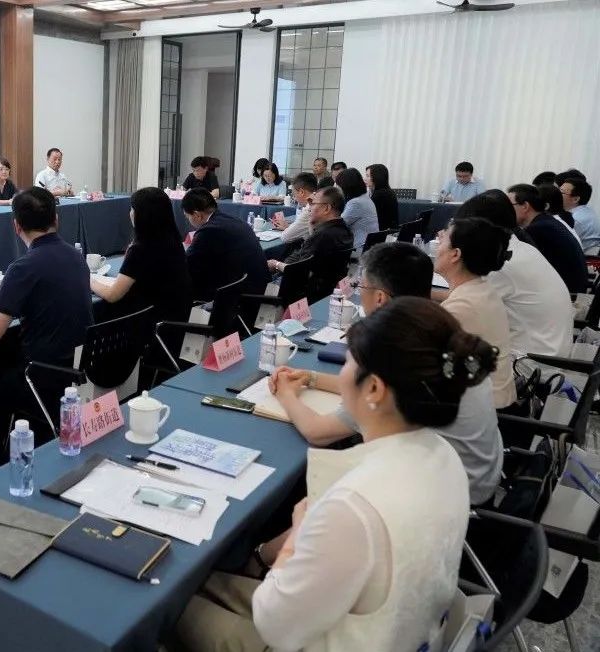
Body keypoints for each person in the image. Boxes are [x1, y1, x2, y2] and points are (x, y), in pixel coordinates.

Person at [174, 296, 488, 652]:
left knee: (173, 607)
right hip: (400, 628)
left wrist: (297, 536)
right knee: (201, 581)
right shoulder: (443, 456)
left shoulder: (353, 508)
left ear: (374, 389)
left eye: (349, 362)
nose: (342, 374)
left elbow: (275, 626)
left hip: (316, 636)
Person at [269, 242, 503, 505]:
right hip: (476, 476)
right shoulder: (438, 328)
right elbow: (365, 384)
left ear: (380, 297)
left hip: (447, 497)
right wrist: (312, 378)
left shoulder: (395, 350)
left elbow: (317, 431)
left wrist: (286, 393)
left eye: (361, 287)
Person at [0, 187, 91, 366]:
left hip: (44, 371)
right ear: (56, 220)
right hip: (82, 364)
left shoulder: (22, 268)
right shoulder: (76, 255)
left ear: (16, 226)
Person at [452, 190, 572, 356]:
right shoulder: (522, 248)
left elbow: (464, 304)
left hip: (531, 363)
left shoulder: (499, 263)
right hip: (551, 351)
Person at [432, 218, 517, 409]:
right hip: (496, 399)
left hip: (487, 411)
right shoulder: (481, 288)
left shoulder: (461, 307)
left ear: (455, 254)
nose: (437, 244)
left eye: (443, 239)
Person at [90, 187, 192, 325]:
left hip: (148, 325)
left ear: (142, 215)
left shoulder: (141, 249)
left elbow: (113, 295)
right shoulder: (174, 241)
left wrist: (90, 281)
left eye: (132, 209)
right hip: (174, 320)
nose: (130, 213)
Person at [182, 188, 269, 301]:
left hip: (243, 297)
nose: (188, 220)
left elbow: (186, 264)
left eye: (187, 216)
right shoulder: (234, 220)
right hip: (257, 287)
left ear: (197, 215)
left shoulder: (208, 231)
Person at [267, 186, 353, 298]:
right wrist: (311, 224)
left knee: (260, 284)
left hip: (304, 293)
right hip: (328, 290)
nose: (309, 208)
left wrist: (276, 264)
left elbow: (297, 272)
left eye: (313, 203)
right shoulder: (345, 230)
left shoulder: (322, 236)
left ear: (326, 208)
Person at [508, 183, 587, 293]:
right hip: (572, 288)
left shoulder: (538, 229)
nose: (506, 210)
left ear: (525, 206)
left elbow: (525, 269)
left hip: (567, 293)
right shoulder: (546, 222)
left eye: (509, 205)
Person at [336, 168, 378, 252]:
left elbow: (337, 225)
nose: (337, 189)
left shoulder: (355, 203)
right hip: (369, 247)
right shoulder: (365, 198)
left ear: (346, 186)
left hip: (358, 249)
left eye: (338, 186)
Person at [272, 172, 318, 244]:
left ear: (301, 192)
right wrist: (289, 227)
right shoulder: (320, 201)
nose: (294, 199)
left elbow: (285, 237)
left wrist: (288, 229)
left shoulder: (310, 209)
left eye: (294, 195)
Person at [562, 177, 600, 254]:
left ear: (575, 199)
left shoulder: (574, 219)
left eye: (561, 192)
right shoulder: (587, 210)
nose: (556, 195)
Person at [365, 163, 399, 231]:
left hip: (380, 233)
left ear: (376, 177)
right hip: (388, 232)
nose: (365, 179)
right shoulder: (389, 192)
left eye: (368, 176)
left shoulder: (379, 195)